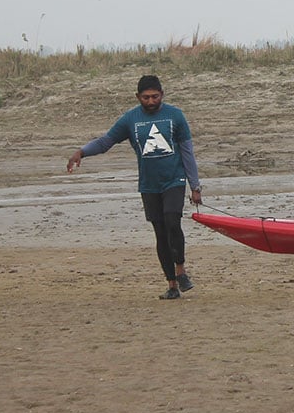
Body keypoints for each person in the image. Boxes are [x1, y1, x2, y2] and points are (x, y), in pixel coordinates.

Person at [67, 75, 203, 300]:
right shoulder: (130, 119)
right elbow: (105, 142)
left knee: (172, 221)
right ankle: (171, 285)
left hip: (174, 180)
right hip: (149, 185)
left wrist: (195, 186)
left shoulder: (176, 116)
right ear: (138, 97)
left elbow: (187, 152)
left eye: (155, 97)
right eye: (146, 97)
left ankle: (181, 270)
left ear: (162, 95)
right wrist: (81, 152)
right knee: (160, 233)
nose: (151, 101)